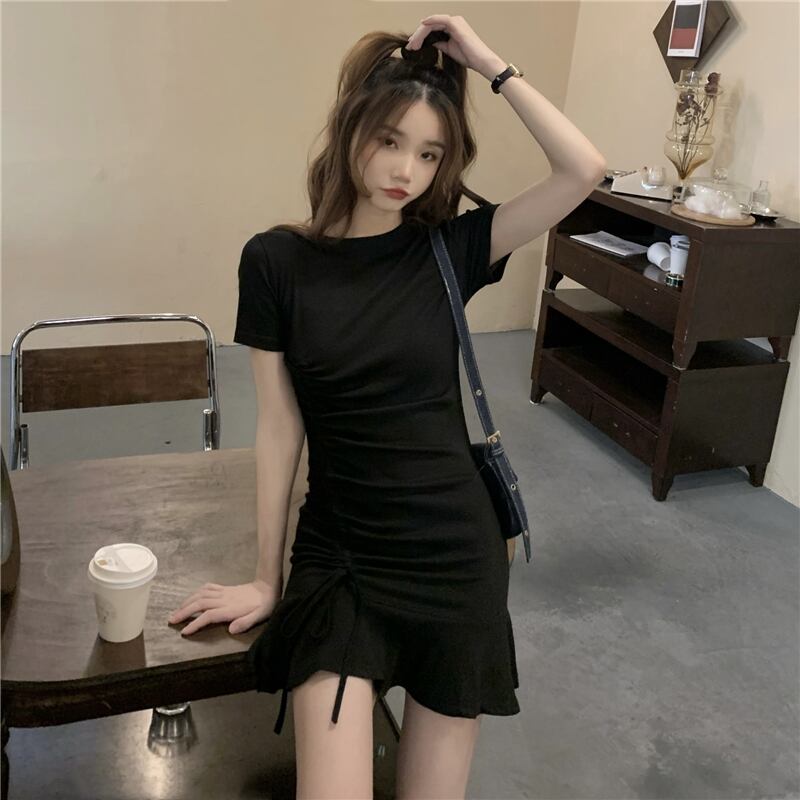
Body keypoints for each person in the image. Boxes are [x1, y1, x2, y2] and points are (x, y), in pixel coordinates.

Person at [168, 14, 606, 800]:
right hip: (344, 557)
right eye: (390, 140)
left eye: (430, 153)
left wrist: (488, 63)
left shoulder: (453, 248)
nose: (407, 169)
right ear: (350, 129)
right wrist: (266, 579)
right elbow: (280, 429)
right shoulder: (275, 262)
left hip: (454, 557)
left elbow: (584, 170)